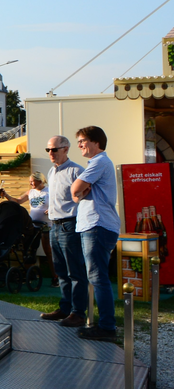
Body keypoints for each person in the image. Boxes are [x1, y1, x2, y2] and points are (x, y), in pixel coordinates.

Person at [71, 126, 121, 341]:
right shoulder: (97, 163)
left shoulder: (99, 162)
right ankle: (104, 324)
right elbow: (76, 196)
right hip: (95, 225)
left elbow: (75, 190)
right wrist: (78, 193)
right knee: (96, 276)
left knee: (98, 277)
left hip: (97, 225)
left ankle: (107, 327)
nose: (80, 145)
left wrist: (79, 192)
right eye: (79, 141)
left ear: (96, 142)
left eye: (83, 141)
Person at [40, 135, 87, 327]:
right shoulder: (52, 172)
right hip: (55, 225)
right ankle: (65, 308)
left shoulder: (77, 171)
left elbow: (85, 197)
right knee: (60, 271)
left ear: (66, 149)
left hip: (70, 224)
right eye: (48, 150)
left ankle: (78, 313)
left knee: (75, 271)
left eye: (54, 149)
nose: (51, 153)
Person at [0, 171, 58, 287]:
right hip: (33, 225)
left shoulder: (49, 191)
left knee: (49, 252)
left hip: (46, 225)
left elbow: (58, 204)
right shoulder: (31, 192)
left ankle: (55, 277)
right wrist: (6, 195)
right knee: (29, 249)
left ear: (40, 181)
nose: (31, 184)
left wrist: (52, 209)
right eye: (30, 182)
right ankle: (29, 274)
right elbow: (18, 201)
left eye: (32, 181)